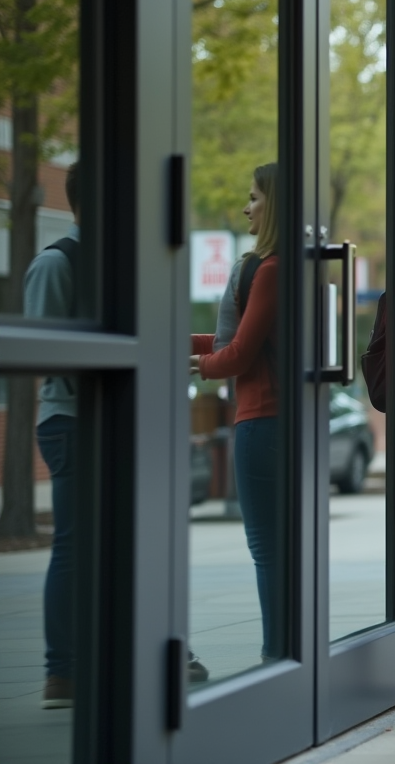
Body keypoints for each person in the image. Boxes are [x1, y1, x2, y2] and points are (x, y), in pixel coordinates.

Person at [26, 166, 208, 708]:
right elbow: (49, 358)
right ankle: (64, 672)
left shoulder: (132, 267)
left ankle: (165, 651)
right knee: (77, 545)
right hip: (74, 425)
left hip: (132, 424)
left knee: (150, 539)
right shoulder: (57, 263)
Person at [191, 162, 284, 662]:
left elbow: (239, 355)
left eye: (254, 197)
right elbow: (245, 340)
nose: (247, 207)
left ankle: (277, 655)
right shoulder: (286, 265)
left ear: (275, 204)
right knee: (282, 548)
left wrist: (197, 363)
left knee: (267, 548)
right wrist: (193, 347)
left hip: (262, 420)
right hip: (280, 421)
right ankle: (288, 650)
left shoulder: (268, 268)